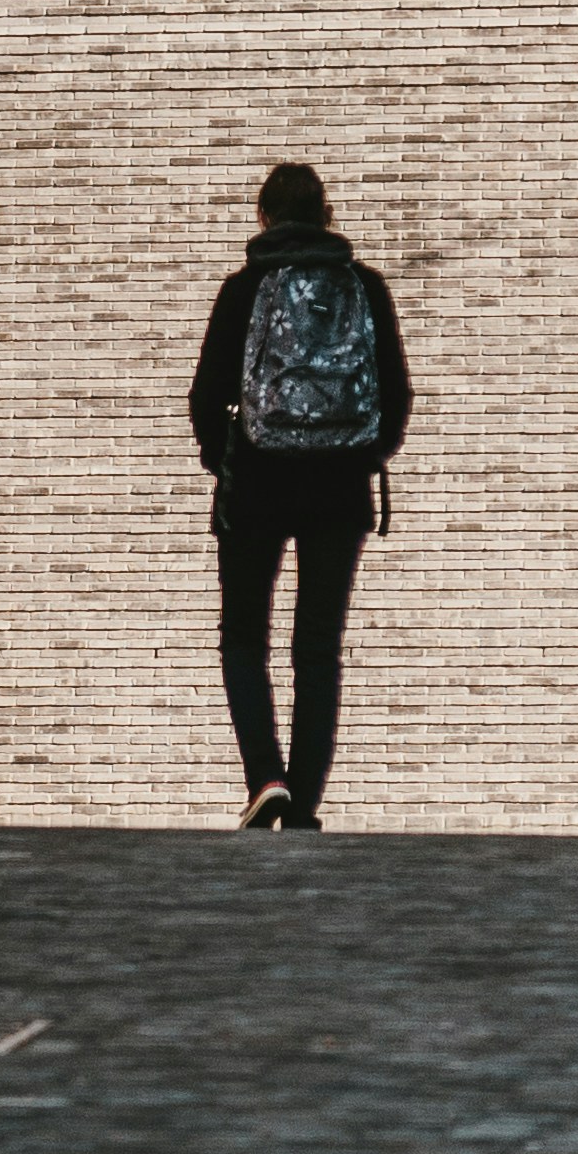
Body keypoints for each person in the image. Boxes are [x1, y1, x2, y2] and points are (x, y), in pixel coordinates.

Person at [190, 164, 413, 831]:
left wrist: (225, 462)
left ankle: (266, 777)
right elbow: (397, 395)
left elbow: (205, 396)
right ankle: (304, 807)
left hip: (257, 485)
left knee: (244, 637)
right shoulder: (363, 287)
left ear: (264, 217)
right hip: (339, 489)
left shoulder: (244, 289)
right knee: (317, 647)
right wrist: (363, 456)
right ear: (326, 215)